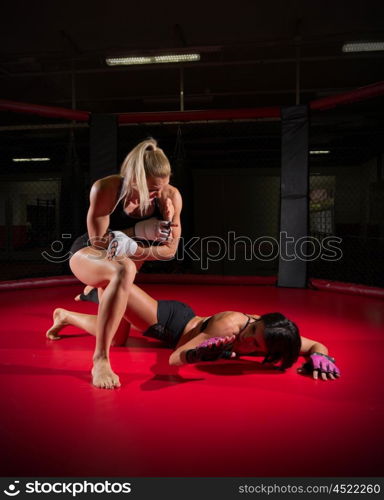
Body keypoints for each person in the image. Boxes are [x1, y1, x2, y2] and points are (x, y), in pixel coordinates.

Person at [46, 281, 341, 389]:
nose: (245, 338)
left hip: (186, 319)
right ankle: (93, 292)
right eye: (251, 329)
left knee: (118, 336)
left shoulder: (275, 335)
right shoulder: (229, 325)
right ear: (257, 320)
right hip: (167, 324)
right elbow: (175, 359)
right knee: (114, 281)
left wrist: (320, 356)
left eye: (254, 342)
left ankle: (66, 315)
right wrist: (196, 353)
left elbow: (314, 344)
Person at [68, 138, 182, 389]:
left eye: (161, 186)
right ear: (133, 179)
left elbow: (171, 251)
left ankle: (65, 316)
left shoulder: (170, 196)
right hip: (89, 254)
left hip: (124, 265)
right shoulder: (107, 188)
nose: (158, 194)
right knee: (124, 267)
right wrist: (138, 230)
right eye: (152, 189)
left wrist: (136, 249)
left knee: (118, 337)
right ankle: (100, 360)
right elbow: (99, 243)